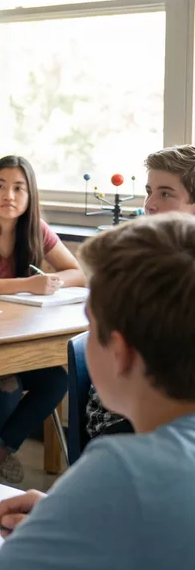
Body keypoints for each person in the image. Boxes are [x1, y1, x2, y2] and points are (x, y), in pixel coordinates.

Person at [0, 214, 195, 570]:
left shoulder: (122, 468)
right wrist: (70, 515)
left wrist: (84, 506)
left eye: (90, 325)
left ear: (120, 352)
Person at [0, 155, 85, 483]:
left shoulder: (35, 228)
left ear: (30, 195)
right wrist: (27, 285)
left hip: (18, 336)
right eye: (0, 185)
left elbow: (76, 272)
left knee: (57, 381)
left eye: (19, 188)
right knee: (7, 387)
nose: (9, 195)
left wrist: (50, 283)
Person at [86, 143, 195, 441]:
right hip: (127, 416)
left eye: (165, 193)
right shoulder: (142, 263)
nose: (150, 204)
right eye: (149, 191)